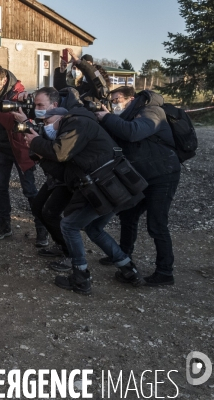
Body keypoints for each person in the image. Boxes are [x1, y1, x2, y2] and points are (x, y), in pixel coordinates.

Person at [26, 106, 145, 295]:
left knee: (69, 226)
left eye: (48, 122)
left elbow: (60, 153)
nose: (46, 126)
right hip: (109, 187)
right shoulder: (73, 130)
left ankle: (81, 277)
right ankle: (128, 269)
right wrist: (42, 158)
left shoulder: (77, 123)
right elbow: (67, 174)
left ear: (61, 117)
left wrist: (37, 142)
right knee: (94, 229)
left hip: (108, 187)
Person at [96, 87, 181, 286]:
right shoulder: (128, 115)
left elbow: (133, 133)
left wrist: (107, 118)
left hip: (163, 174)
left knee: (157, 223)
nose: (114, 103)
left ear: (131, 99)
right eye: (112, 100)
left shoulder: (151, 112)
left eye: (117, 99)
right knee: (128, 215)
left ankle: (165, 272)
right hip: (143, 175)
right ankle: (123, 256)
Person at [0, 65, 48, 246]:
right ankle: (4, 225)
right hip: (0, 149)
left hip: (21, 150)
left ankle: (42, 230)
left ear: (4, 80)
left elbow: (11, 122)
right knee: (0, 188)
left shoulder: (19, 96)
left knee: (29, 191)